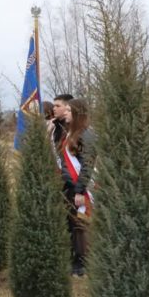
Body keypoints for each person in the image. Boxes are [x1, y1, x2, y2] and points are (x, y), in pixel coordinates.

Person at [59, 98, 96, 277]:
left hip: (78, 188)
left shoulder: (86, 135)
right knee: (70, 225)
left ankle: (81, 264)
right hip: (68, 186)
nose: (65, 113)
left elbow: (87, 165)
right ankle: (73, 258)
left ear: (77, 113)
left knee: (79, 225)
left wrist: (80, 191)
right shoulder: (72, 133)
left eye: (68, 110)